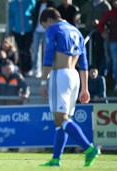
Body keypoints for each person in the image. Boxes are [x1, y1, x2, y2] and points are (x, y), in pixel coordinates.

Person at [39, 8, 98, 167]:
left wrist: (44, 82)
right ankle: (55, 159)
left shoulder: (53, 29)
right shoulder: (76, 31)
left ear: (49, 20)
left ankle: (88, 148)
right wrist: (85, 88)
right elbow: (84, 61)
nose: (46, 29)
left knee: (61, 119)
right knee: (62, 121)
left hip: (60, 75)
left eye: (44, 26)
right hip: (75, 76)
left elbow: (49, 55)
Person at [81, 0, 111, 76]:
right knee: (86, 51)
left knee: (100, 54)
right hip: (89, 32)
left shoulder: (105, 5)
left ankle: (99, 74)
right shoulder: (89, 3)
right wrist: (76, 19)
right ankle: (87, 72)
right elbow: (79, 12)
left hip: (100, 33)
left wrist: (100, 23)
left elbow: (110, 20)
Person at [8, 0, 36, 76]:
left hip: (29, 30)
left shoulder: (30, 1)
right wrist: (10, 29)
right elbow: (11, 17)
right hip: (17, 30)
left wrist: (34, 26)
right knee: (20, 50)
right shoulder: (13, 4)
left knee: (28, 49)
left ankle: (29, 68)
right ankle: (22, 69)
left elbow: (35, 14)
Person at [31, 0, 56, 78]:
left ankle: (45, 70)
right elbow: (34, 15)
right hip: (37, 30)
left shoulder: (51, 4)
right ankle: (36, 69)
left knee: (46, 51)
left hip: (47, 31)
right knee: (35, 51)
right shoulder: (37, 4)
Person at [98, 0, 117, 91]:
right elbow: (101, 24)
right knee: (115, 62)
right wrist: (102, 32)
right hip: (113, 40)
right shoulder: (109, 13)